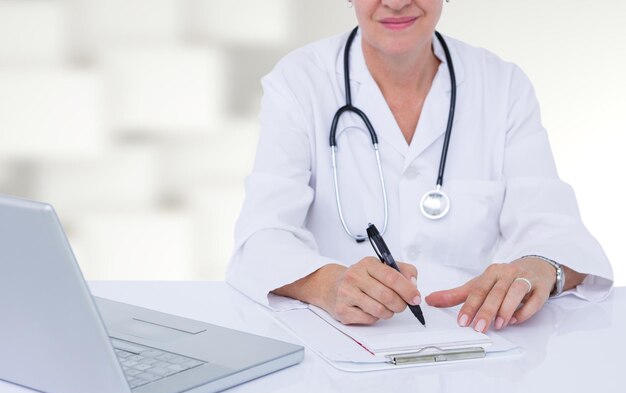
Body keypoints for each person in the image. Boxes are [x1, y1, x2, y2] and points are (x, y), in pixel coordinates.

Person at [226, 0, 613, 333]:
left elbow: (560, 235)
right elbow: (260, 238)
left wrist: (540, 268)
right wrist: (328, 283)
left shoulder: (502, 87)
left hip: (473, 350)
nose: (395, 2)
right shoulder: (299, 82)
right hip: (341, 356)